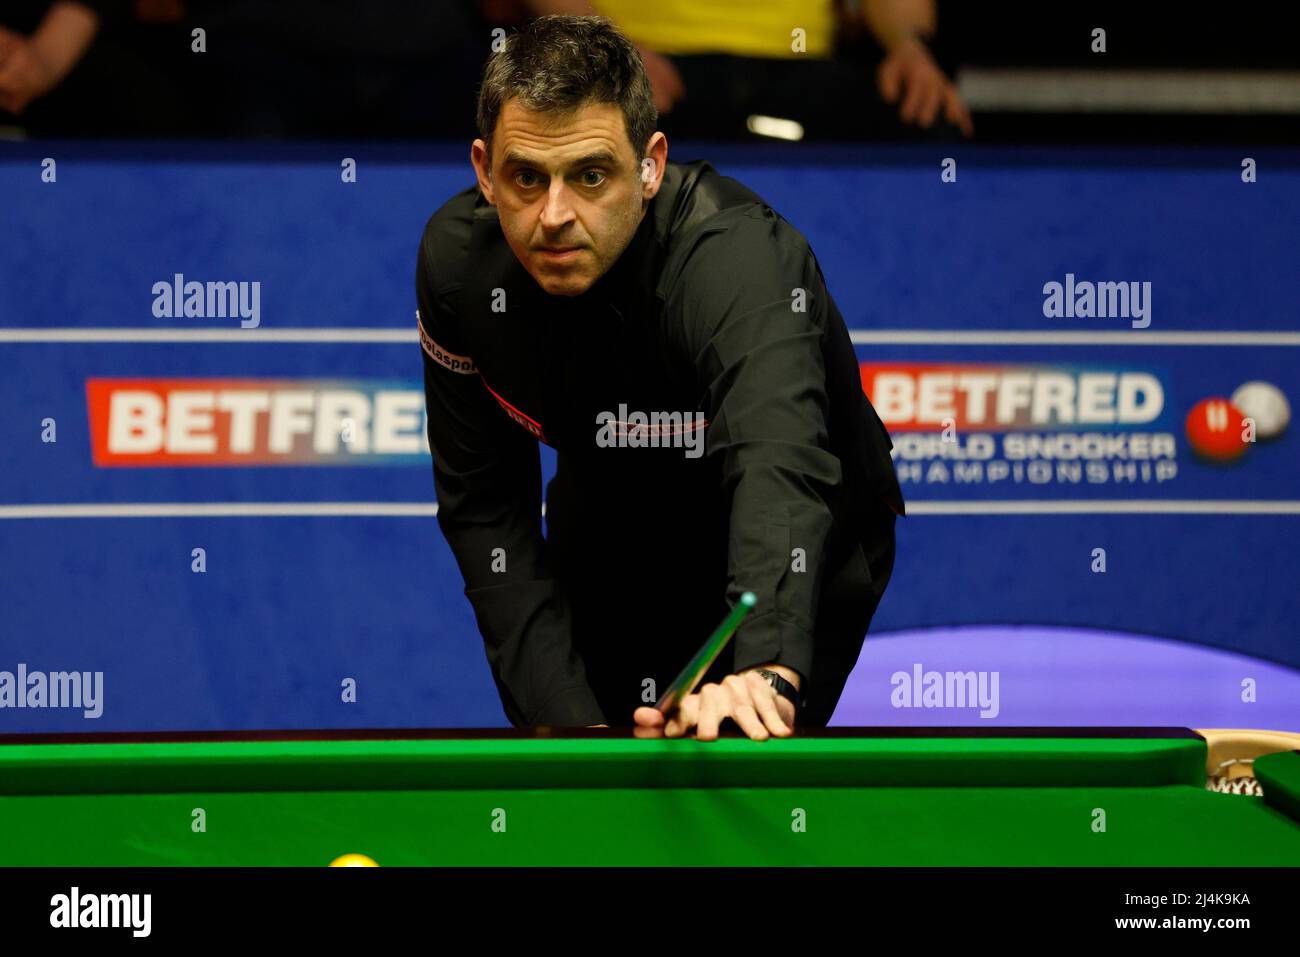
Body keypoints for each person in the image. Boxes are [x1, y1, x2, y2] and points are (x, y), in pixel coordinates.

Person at [417, 16, 903, 741]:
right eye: (526, 177)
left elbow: (776, 459)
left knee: (734, 748)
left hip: (804, 538)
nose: (554, 215)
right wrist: (566, 723)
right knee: (597, 766)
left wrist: (764, 668)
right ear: (484, 169)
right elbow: (488, 511)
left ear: (650, 166)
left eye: (590, 175)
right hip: (612, 521)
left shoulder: (739, 260)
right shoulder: (460, 273)